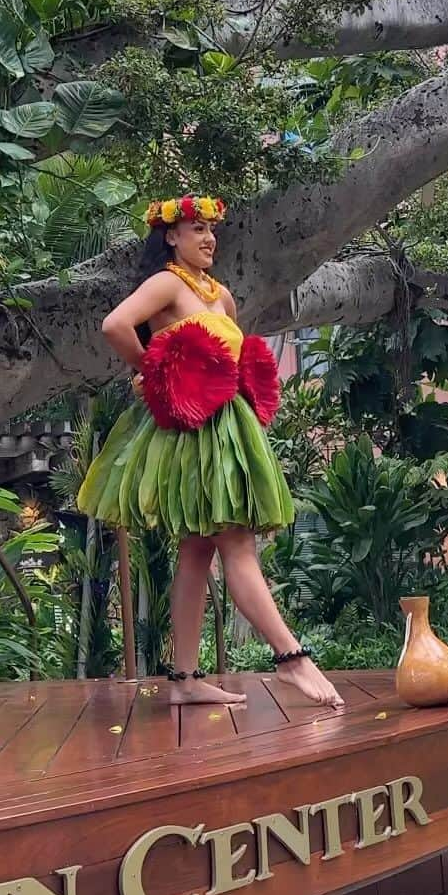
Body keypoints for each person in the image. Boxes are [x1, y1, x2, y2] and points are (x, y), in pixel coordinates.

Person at [79, 193, 343, 709]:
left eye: (210, 229)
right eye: (196, 229)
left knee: (198, 550)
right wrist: (151, 370)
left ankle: (183, 679)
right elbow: (115, 325)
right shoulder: (166, 283)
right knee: (236, 545)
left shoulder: (221, 297)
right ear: (171, 236)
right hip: (189, 429)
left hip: (224, 430)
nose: (208, 238)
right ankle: (292, 658)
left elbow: (233, 359)